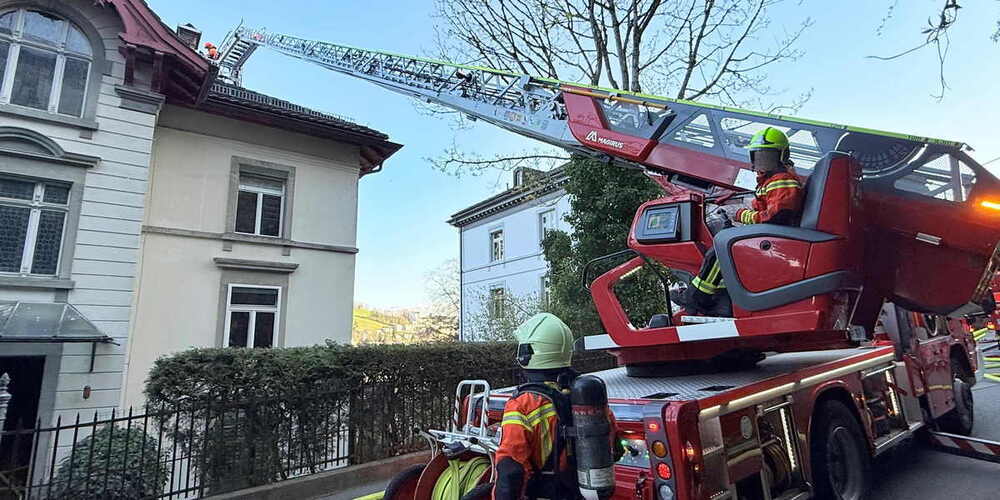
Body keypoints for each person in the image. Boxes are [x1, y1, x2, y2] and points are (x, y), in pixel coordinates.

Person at [493, 313, 620, 500]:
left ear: (527, 354)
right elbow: (615, 449)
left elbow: (511, 470)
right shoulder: (586, 396)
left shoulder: (524, 404)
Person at [681, 127, 805, 316]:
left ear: (782, 155)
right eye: (758, 156)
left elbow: (775, 217)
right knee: (724, 243)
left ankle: (699, 298)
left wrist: (740, 215)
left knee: (722, 249)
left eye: (767, 157)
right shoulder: (770, 181)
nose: (762, 162)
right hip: (774, 234)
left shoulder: (781, 180)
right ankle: (720, 298)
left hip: (776, 236)